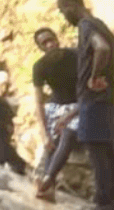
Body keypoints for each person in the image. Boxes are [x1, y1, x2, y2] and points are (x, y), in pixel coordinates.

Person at [58, 0, 114, 210]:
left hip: (93, 100)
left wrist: (94, 76)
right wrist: (106, 74)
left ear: (71, 6)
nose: (64, 18)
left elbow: (104, 49)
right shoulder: (99, 23)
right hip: (105, 98)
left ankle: (102, 208)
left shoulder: (86, 25)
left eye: (63, 11)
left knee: (97, 153)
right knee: (107, 151)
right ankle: (111, 207)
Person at [31, 25, 80, 200]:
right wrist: (44, 134)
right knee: (51, 141)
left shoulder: (75, 56)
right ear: (41, 48)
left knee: (68, 132)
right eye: (45, 43)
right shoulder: (39, 67)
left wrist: (69, 115)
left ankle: (47, 179)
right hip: (56, 105)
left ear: (57, 39)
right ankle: (48, 188)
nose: (50, 44)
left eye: (52, 39)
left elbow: (90, 90)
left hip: (79, 105)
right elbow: (37, 101)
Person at [0, 66, 29, 177]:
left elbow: (10, 117)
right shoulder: (3, 102)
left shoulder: (4, 102)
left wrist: (9, 126)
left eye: (5, 86)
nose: (3, 89)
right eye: (2, 85)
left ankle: (18, 166)